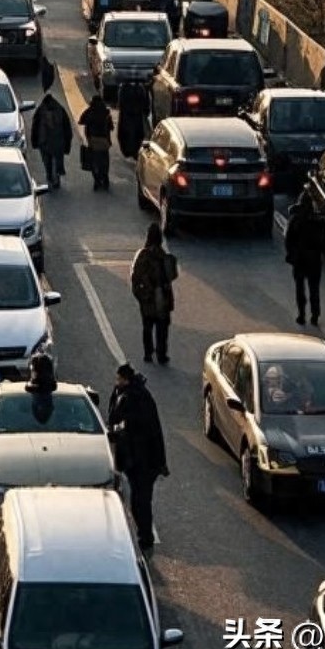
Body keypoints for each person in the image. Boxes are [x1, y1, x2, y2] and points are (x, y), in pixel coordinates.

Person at [108, 362, 169, 551]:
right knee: (140, 499)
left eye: (118, 379)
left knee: (140, 501)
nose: (116, 382)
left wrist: (116, 434)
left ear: (125, 379)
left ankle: (146, 537)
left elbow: (121, 422)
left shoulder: (132, 398)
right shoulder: (137, 395)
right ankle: (144, 534)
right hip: (144, 460)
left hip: (142, 461)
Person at [130, 222, 176, 364]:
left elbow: (135, 277)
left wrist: (140, 295)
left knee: (147, 327)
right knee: (162, 328)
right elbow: (172, 275)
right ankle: (161, 354)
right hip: (163, 297)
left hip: (148, 298)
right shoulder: (165, 257)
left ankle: (148, 353)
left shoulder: (142, 255)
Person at [285, 187, 325, 327]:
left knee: (299, 288)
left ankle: (301, 314)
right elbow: (324, 241)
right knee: (314, 288)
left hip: (299, 259)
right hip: (314, 260)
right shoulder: (319, 221)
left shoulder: (295, 220)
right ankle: (315, 315)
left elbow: (288, 239)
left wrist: (291, 254)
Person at [30, 90, 73, 189]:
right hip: (58, 142)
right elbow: (67, 128)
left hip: (44, 141)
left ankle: (49, 177)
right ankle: (57, 177)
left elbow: (35, 127)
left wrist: (34, 142)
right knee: (57, 160)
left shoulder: (40, 111)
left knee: (47, 161)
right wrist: (67, 145)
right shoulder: (60, 110)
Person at [78, 94, 114, 191]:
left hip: (92, 141)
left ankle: (97, 180)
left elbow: (81, 121)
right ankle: (105, 179)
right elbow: (111, 127)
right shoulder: (106, 112)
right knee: (105, 161)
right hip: (104, 141)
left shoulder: (89, 111)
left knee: (93, 161)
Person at [117, 80, 150, 159]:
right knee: (136, 134)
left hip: (127, 115)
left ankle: (129, 151)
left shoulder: (124, 88)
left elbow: (121, 103)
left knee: (128, 133)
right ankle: (134, 151)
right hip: (136, 115)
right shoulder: (140, 88)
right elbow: (145, 103)